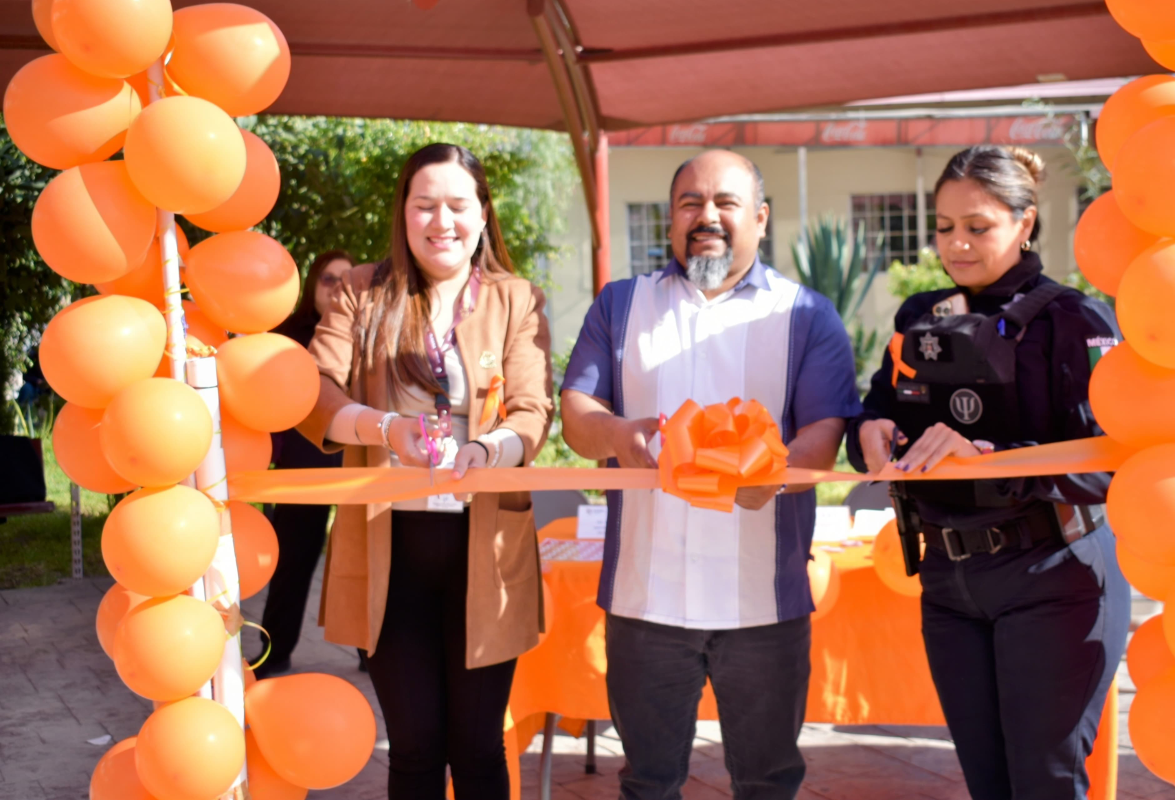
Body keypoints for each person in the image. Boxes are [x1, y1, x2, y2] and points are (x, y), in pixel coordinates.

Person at [560, 149, 861, 800]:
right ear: (670, 221)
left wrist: (775, 476)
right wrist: (618, 433)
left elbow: (824, 434)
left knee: (767, 783)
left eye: (725, 202)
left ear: (759, 217)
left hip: (764, 604)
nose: (707, 216)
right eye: (690, 203)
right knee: (648, 783)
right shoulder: (621, 305)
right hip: (645, 601)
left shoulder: (807, 314)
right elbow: (577, 414)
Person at [847, 145, 1130, 800]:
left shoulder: (1076, 321)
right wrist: (870, 429)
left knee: (1045, 786)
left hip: (1055, 576)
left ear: (1025, 223)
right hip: (948, 583)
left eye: (978, 227)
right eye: (944, 228)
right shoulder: (920, 318)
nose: (957, 245)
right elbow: (881, 405)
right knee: (989, 786)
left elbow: (1111, 462)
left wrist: (994, 457)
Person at [296, 144, 554, 799]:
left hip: (487, 551)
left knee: (476, 748)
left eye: (458, 205)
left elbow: (531, 411)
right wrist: (386, 429)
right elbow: (312, 394)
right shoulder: (360, 291)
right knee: (413, 750)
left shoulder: (515, 298)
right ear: (404, 214)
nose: (442, 221)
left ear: (482, 213)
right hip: (389, 551)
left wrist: (488, 450)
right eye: (425, 205)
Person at [254, 250, 357, 679]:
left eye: (347, 281)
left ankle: (375, 653)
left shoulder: (370, 335)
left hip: (358, 467)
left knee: (362, 563)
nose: (337, 288)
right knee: (292, 565)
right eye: (329, 279)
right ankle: (272, 653)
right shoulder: (287, 337)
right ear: (313, 284)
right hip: (301, 467)